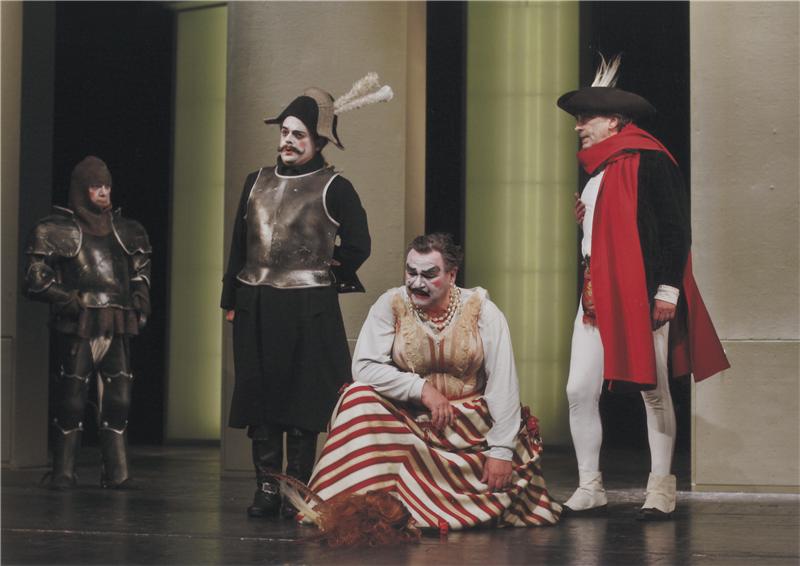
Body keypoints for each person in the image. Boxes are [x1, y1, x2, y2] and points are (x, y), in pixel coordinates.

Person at [556, 55, 729, 520]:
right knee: (578, 389)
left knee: (653, 390)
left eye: (586, 119)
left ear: (613, 121)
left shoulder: (650, 160)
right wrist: (585, 222)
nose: (578, 127)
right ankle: (590, 485)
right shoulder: (598, 170)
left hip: (641, 292)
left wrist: (667, 291)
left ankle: (661, 487)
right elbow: (607, 234)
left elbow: (674, 230)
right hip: (595, 294)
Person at [306, 233, 561, 530]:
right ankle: (358, 506)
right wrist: (421, 389)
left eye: (429, 274)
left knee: (506, 471)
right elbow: (364, 367)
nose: (417, 282)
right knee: (357, 396)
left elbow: (503, 384)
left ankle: (444, 502)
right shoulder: (391, 304)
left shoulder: (482, 311)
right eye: (411, 272)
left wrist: (502, 451)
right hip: (411, 419)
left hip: (469, 426)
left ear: (452, 275)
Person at [221, 76, 391, 518]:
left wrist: (330, 270)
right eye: (285, 132)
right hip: (256, 302)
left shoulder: (336, 187)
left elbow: (359, 244)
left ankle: (295, 489)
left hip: (308, 306)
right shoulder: (255, 182)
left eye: (298, 134)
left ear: (318, 141)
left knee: (302, 399)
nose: (288, 141)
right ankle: (266, 488)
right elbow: (239, 245)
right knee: (260, 397)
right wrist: (230, 300)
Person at [24, 155, 151, 490]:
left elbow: (140, 273)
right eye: (96, 186)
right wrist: (67, 299)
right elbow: (35, 277)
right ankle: (63, 471)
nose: (104, 192)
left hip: (116, 321)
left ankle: (117, 471)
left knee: (119, 400)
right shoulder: (55, 230)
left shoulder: (127, 231)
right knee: (71, 400)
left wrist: (140, 302)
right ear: (82, 189)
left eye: (107, 186)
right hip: (78, 323)